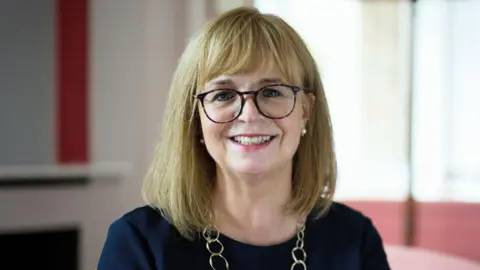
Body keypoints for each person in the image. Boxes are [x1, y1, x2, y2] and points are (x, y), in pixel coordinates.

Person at [97, 6, 391, 270]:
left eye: (272, 91)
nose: (249, 114)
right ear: (195, 119)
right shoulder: (138, 242)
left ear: (305, 111)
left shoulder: (357, 239)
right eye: (223, 94)